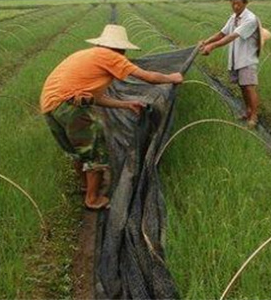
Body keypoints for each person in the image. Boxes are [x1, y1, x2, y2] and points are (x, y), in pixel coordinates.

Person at [40, 24, 183, 210]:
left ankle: (86, 186)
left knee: (78, 150)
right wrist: (172, 77)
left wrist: (125, 104)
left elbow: (96, 97)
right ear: (120, 48)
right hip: (70, 106)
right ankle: (93, 200)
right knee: (96, 149)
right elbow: (148, 77)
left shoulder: (88, 55)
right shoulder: (111, 56)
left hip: (50, 106)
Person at [199, 0, 267, 128]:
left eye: (238, 4)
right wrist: (205, 42)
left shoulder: (250, 19)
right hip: (237, 58)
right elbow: (222, 33)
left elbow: (232, 36)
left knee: (249, 87)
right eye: (233, 4)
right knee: (242, 87)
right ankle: (247, 111)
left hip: (247, 59)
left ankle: (254, 116)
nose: (236, 7)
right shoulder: (233, 18)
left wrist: (212, 47)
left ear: (245, 3)